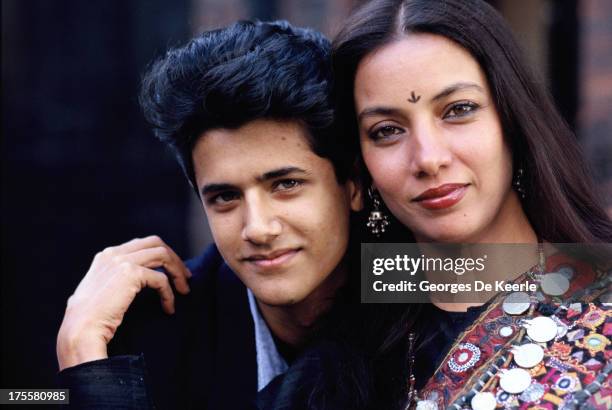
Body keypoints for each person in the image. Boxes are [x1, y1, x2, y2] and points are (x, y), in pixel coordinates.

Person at [301, 0, 611, 408]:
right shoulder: (345, 360)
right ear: (361, 165)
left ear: (512, 121)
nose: (428, 158)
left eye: (458, 110)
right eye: (387, 131)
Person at [56, 20, 362, 409]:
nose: (258, 228)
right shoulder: (152, 327)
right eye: (225, 197)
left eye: (286, 185)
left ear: (351, 183)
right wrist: (79, 350)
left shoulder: (421, 288)